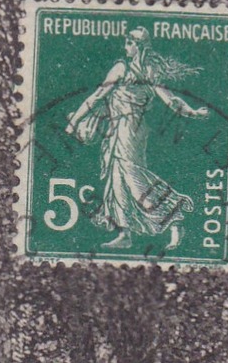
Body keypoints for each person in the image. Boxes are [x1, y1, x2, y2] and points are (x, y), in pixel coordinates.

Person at [64, 27, 210, 251]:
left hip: (128, 130)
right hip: (122, 129)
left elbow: (97, 97)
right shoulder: (145, 70)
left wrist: (75, 120)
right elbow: (171, 101)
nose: (125, 46)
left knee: (133, 179)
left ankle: (174, 217)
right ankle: (125, 234)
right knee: (117, 179)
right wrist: (193, 112)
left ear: (138, 45)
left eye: (129, 42)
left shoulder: (126, 68)